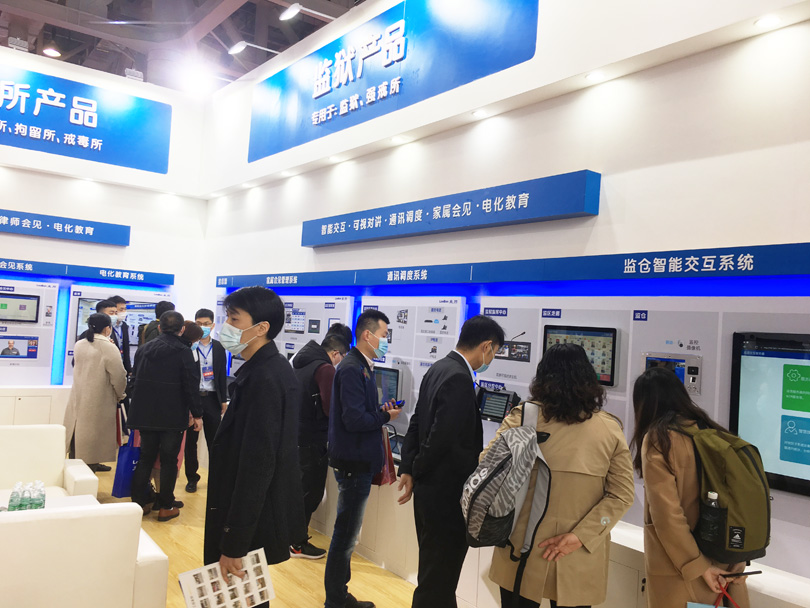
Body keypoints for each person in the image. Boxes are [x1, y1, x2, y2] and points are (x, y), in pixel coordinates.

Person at [486, 343, 634, 608]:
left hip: (521, 547)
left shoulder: (522, 419)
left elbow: (487, 469)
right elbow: (621, 496)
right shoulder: (610, 429)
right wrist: (583, 535)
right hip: (578, 552)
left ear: (542, 378)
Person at [398, 314, 505, 608]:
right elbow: (440, 438)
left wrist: (409, 467)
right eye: (494, 352)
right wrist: (417, 469)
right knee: (438, 578)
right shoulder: (458, 377)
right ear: (486, 346)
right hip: (444, 495)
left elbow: (417, 422)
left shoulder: (439, 368)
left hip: (430, 492)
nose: (492, 358)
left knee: (438, 576)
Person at [204, 286, 307, 580]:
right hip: (249, 517)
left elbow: (258, 465)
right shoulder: (264, 370)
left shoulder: (266, 379)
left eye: (234, 319)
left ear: (261, 328)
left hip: (250, 523)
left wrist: (235, 541)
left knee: (243, 592)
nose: (226, 326)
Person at [630, 367, 750, 608]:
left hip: (682, 569)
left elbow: (667, 515)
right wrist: (738, 559)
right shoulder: (713, 432)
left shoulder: (659, 439)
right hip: (723, 562)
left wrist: (699, 567)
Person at [324, 309, 402, 608]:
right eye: (384, 335)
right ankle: (336, 599)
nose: (386, 341)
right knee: (345, 536)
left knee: (346, 534)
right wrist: (385, 417)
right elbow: (354, 420)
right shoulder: (352, 368)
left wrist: (381, 410)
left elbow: (358, 411)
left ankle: (339, 595)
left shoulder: (361, 366)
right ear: (368, 335)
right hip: (353, 461)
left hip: (357, 459)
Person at [128, 310, 203, 521]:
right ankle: (166, 506)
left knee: (145, 459)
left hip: (145, 414)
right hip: (172, 416)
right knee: (169, 461)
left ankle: (138, 504)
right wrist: (197, 414)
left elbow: (134, 380)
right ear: (182, 329)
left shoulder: (143, 349)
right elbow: (191, 387)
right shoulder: (183, 352)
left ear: (160, 327)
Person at [290, 327, 350, 559]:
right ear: (336, 353)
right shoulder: (325, 369)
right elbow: (329, 408)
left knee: (299, 491)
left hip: (296, 435)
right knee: (310, 493)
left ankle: (292, 538)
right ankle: (297, 543)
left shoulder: (301, 361)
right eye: (342, 357)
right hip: (313, 439)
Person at [62, 313, 127, 472]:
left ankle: (74, 480)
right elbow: (119, 376)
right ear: (107, 328)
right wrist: (121, 395)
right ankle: (86, 481)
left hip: (78, 399)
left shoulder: (80, 344)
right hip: (98, 402)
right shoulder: (108, 347)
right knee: (91, 448)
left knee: (77, 442)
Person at [184, 308, 229, 493]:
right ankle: (192, 478)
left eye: (206, 324)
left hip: (211, 398)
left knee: (215, 440)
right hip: (192, 399)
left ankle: (217, 478)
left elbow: (221, 375)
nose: (202, 327)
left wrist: (223, 399)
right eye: (199, 324)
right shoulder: (188, 346)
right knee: (190, 443)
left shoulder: (218, 347)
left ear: (213, 325)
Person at [107, 295, 133, 376]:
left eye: (125, 309)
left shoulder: (124, 326)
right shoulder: (106, 327)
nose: (124, 312)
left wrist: (128, 369)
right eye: (121, 309)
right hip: (109, 367)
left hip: (122, 366)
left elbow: (126, 349)